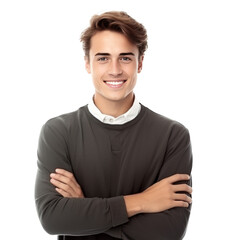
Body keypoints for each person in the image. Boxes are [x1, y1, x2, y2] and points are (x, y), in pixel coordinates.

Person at [35, 11, 193, 240]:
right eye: (103, 58)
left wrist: (84, 208)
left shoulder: (173, 136)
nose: (115, 69)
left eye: (125, 58)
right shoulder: (58, 132)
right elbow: (53, 219)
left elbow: (168, 232)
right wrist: (142, 202)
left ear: (140, 63)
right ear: (88, 64)